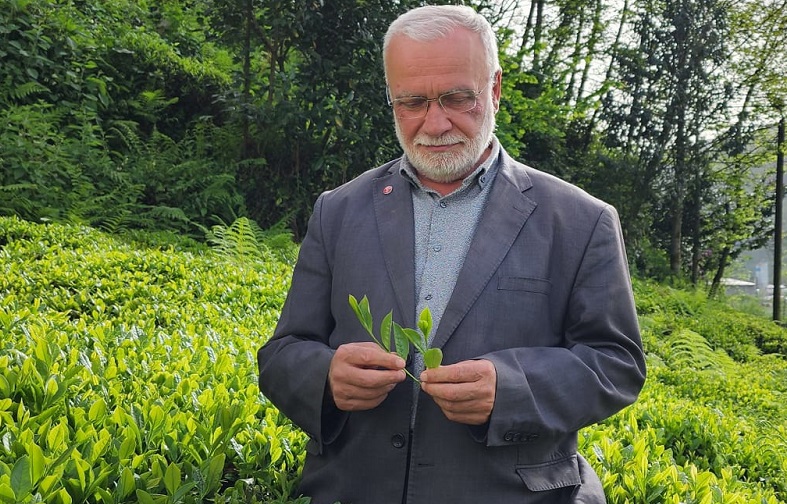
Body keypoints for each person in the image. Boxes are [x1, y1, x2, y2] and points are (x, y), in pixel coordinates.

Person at [258, 5, 646, 503]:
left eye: (458, 98)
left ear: (496, 90)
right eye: (412, 101)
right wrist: (325, 377)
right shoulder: (338, 211)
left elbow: (616, 363)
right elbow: (283, 353)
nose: (435, 123)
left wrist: (511, 388)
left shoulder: (580, 220)